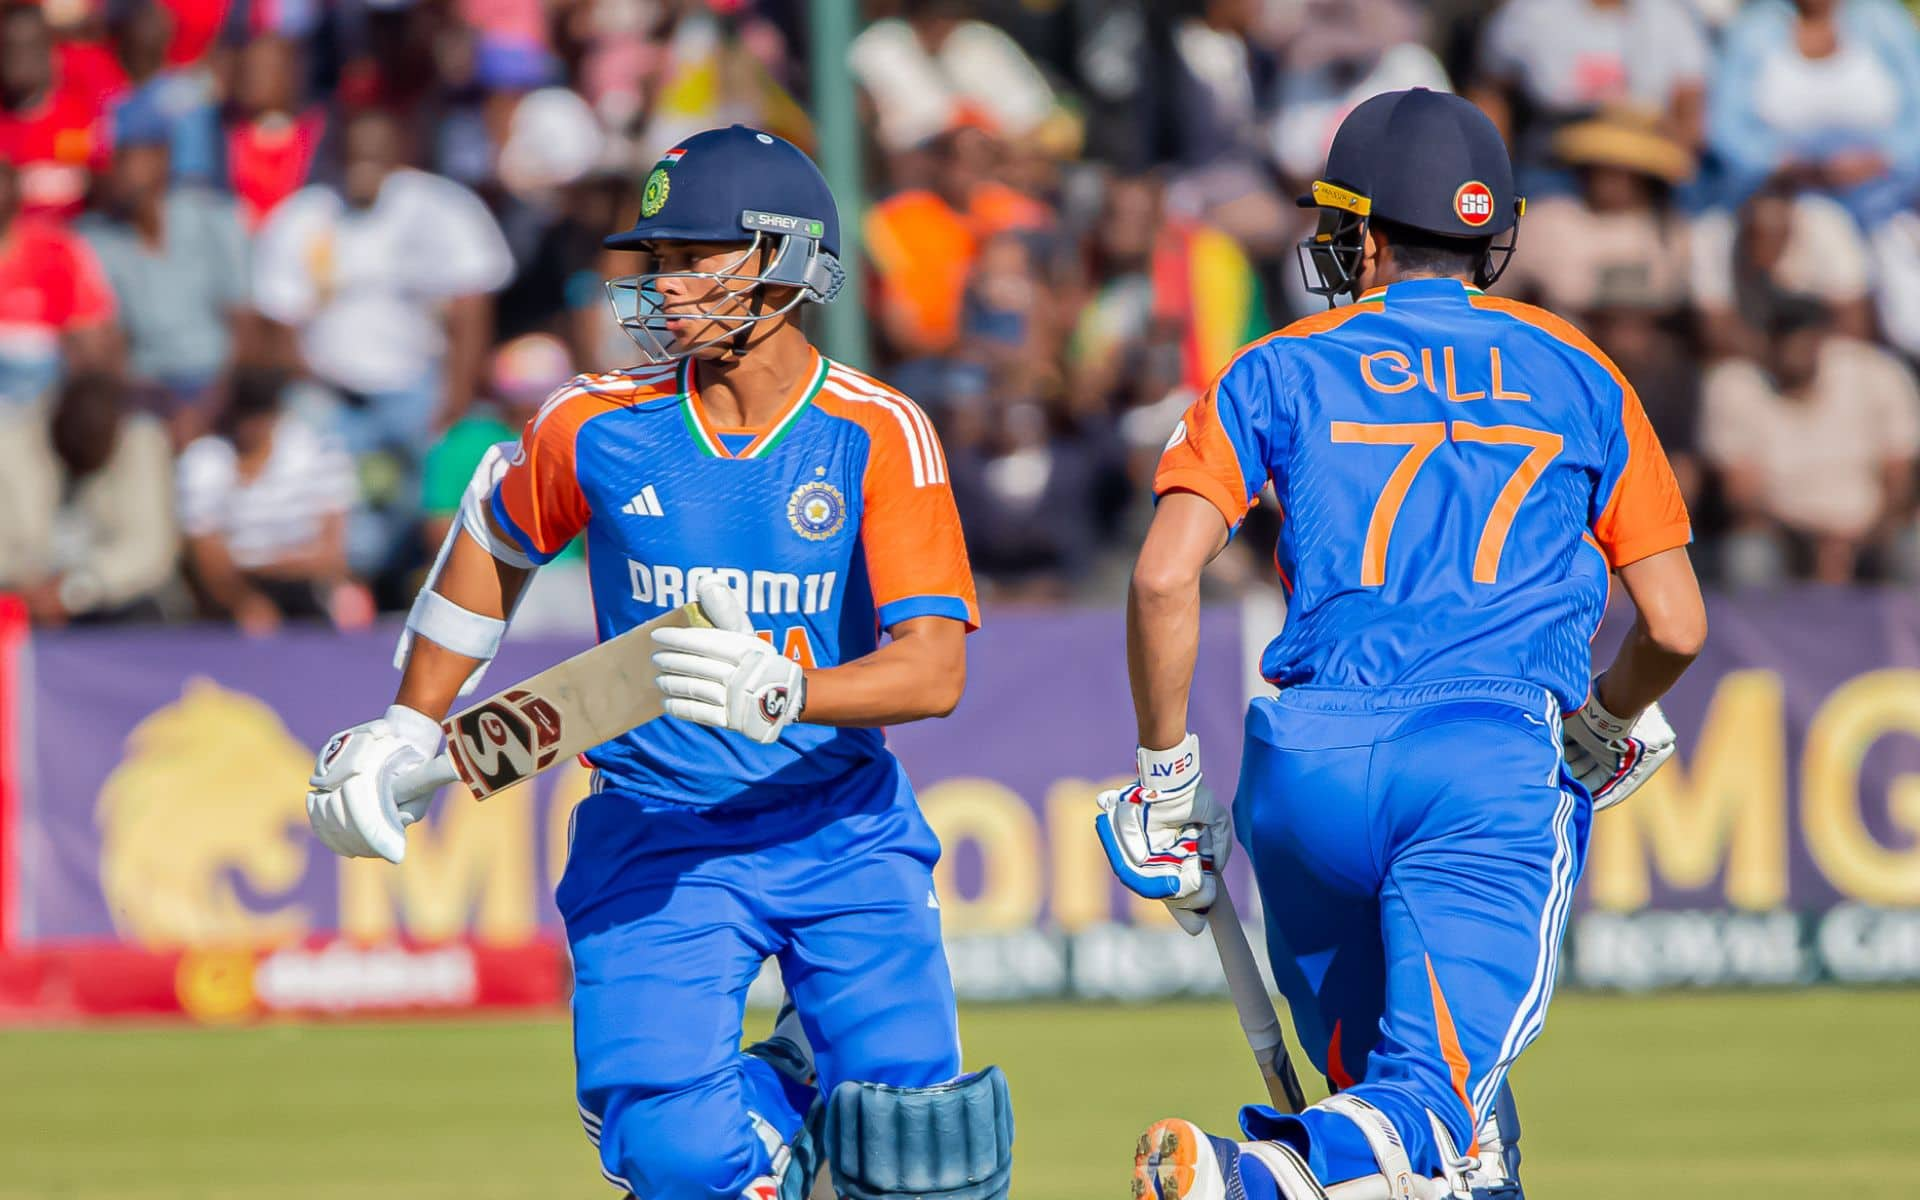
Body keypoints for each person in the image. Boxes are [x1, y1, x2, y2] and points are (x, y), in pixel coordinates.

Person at [301, 125, 1013, 1200]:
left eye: (693, 260)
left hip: (839, 830)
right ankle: (783, 1102)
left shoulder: (878, 431)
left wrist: (788, 690)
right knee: (674, 1163)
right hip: (658, 837)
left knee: (922, 1155)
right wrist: (411, 723)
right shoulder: (595, 422)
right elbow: (492, 542)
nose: (664, 289)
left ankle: (812, 1095)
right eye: (657, 263)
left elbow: (932, 673)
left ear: (784, 260)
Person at [1099, 89, 1706, 1200]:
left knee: (1434, 1148)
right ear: (1492, 236)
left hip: (1308, 765)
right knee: (1428, 1113)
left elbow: (1162, 574)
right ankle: (1248, 1177)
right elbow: (1675, 624)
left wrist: (1161, 778)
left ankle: (1302, 1165)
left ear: (1365, 234)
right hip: (1485, 766)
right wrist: (1607, 721)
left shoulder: (1278, 360)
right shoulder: (1582, 369)